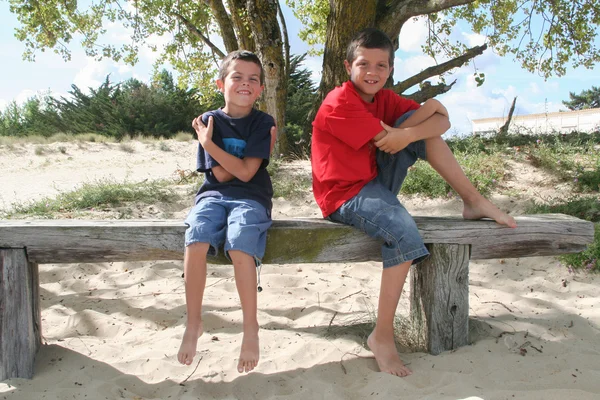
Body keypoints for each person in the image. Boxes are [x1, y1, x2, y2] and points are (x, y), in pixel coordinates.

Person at [311, 28, 516, 377]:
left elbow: (442, 121)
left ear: (390, 69)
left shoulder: (385, 100)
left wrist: (409, 130)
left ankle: (473, 201)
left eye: (381, 65)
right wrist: (422, 118)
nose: (372, 72)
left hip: (376, 181)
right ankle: (383, 336)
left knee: (423, 133)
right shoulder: (338, 102)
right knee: (405, 233)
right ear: (348, 66)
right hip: (344, 195)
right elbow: (390, 138)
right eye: (364, 64)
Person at [177, 50, 276, 374]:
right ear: (221, 83)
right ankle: (194, 322)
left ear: (260, 88)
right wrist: (239, 159)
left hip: (252, 199)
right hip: (212, 196)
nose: (245, 84)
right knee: (197, 236)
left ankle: (251, 329)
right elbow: (220, 176)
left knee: (239, 242)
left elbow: (248, 175)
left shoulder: (263, 122)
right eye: (237, 77)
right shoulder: (210, 120)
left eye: (253, 79)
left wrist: (209, 144)